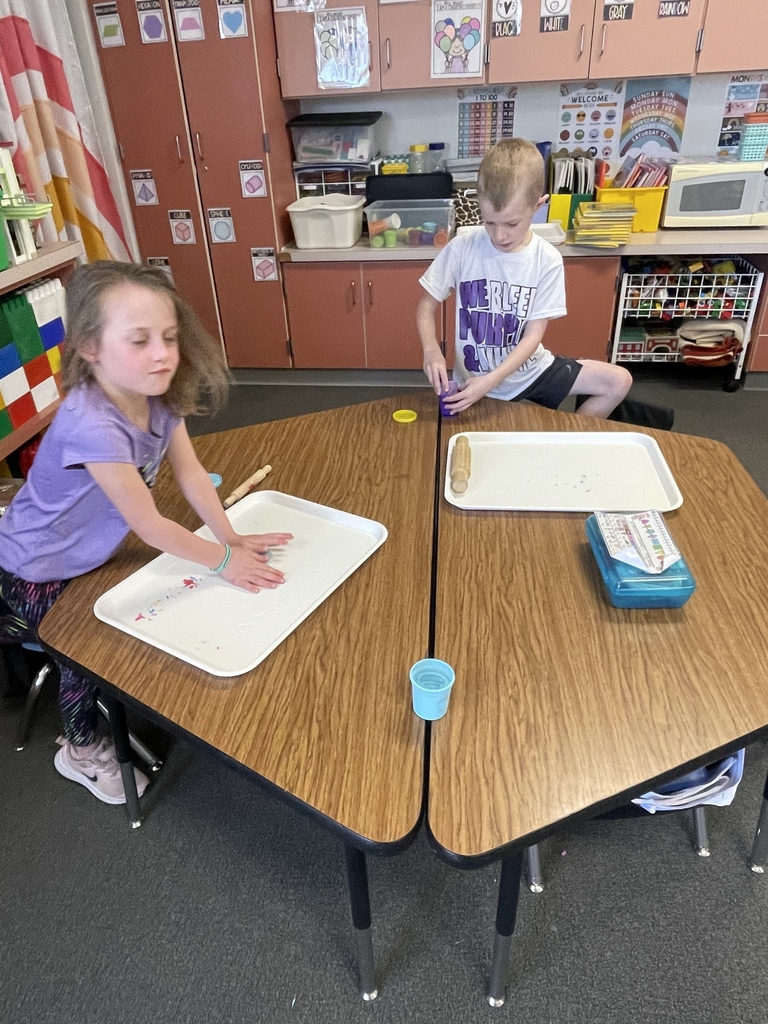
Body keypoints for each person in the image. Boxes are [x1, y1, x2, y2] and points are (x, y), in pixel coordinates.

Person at [0, 261, 293, 805]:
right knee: (84, 652)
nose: (161, 353)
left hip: (90, 557)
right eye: (139, 340)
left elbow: (189, 474)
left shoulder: (156, 390)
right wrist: (223, 562)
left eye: (169, 338)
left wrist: (227, 537)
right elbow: (150, 524)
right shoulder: (93, 422)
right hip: (31, 571)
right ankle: (80, 751)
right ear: (90, 347)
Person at [416, 138, 632, 417]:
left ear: (538, 206)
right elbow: (425, 306)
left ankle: (568, 442)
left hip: (528, 370)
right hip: (473, 381)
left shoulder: (547, 260)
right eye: (489, 222)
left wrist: (493, 380)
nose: (499, 235)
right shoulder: (462, 247)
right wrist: (431, 349)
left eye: (511, 223)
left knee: (619, 381)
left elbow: (532, 338)